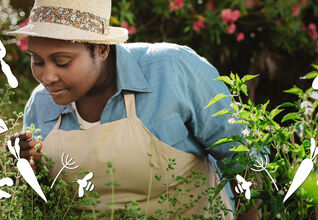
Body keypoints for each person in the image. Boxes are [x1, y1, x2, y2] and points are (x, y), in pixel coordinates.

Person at [6, 0, 248, 219]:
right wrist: (25, 168)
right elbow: (41, 203)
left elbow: (244, 160)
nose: (47, 77)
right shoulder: (41, 104)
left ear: (101, 49)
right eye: (37, 61)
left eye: (62, 62)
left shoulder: (172, 71)